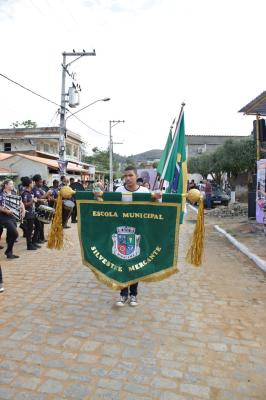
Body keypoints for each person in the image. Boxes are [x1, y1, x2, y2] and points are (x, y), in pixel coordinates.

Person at [115, 166, 152, 307]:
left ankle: (134, 295)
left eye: (130, 175)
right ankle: (123, 294)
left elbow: (152, 209)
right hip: (122, 232)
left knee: (134, 264)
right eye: (125, 176)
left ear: (136, 176)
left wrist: (157, 198)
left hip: (138, 233)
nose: (128, 178)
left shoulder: (144, 191)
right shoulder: (119, 191)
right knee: (122, 264)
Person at [0, 180, 21, 258]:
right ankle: (8, 251)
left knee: (10, 235)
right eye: (11, 184)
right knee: (15, 234)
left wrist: (22, 208)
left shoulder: (13, 193)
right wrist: (6, 211)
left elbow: (19, 201)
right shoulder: (2, 194)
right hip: (4, 217)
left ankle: (9, 253)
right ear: (6, 185)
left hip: (13, 217)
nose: (13, 185)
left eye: (13, 184)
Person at [21, 177, 39, 250]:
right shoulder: (25, 193)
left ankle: (33, 242)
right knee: (30, 230)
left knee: (38, 226)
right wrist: (33, 201)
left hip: (32, 212)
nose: (33, 184)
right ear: (29, 184)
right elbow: (24, 204)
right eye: (32, 182)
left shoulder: (30, 192)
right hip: (28, 214)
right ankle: (29, 245)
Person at [32, 174, 47, 244]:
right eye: (40, 182)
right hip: (37, 209)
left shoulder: (40, 189)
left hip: (42, 208)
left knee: (42, 224)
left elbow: (42, 197)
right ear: (36, 182)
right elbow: (39, 198)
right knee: (39, 225)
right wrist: (46, 195)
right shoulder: (34, 189)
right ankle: (37, 239)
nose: (41, 183)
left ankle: (42, 238)